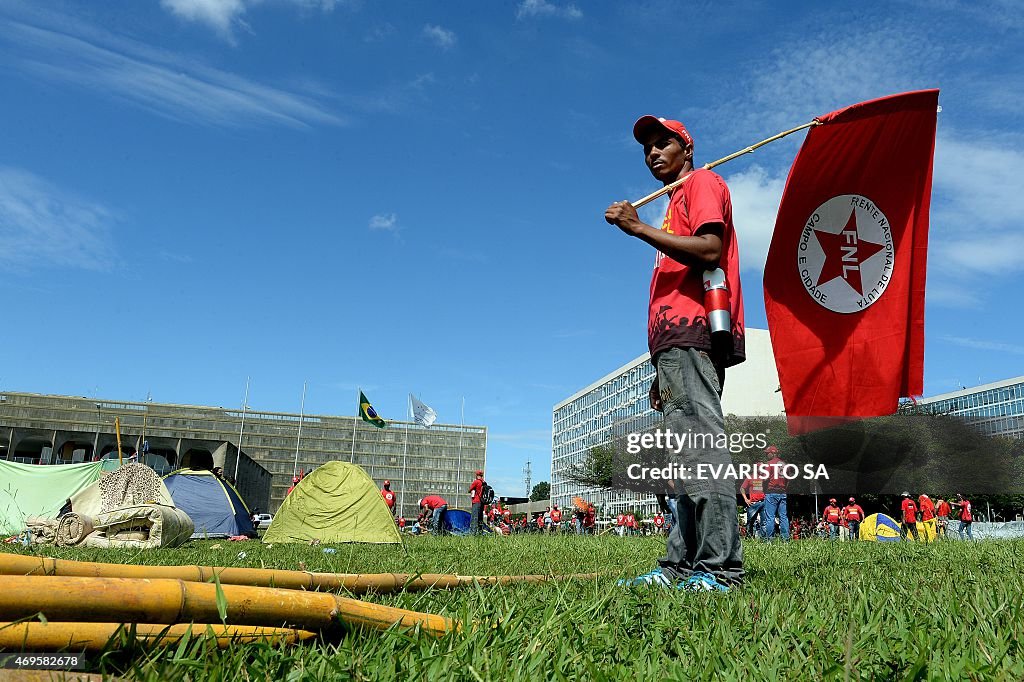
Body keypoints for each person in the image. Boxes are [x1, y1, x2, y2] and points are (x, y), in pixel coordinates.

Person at [606, 115, 745, 591]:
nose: (653, 153)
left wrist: (637, 229)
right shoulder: (673, 202)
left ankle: (719, 569)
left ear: (687, 149)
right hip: (672, 345)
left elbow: (709, 249)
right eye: (647, 149)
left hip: (691, 333)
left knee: (701, 451)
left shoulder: (702, 182)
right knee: (680, 460)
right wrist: (659, 371)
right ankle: (679, 566)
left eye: (664, 144)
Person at [761, 447, 790, 541]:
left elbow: (765, 478)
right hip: (782, 492)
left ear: (772, 453)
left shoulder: (769, 464)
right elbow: (788, 478)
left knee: (770, 517)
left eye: (767, 453)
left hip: (771, 492)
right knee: (783, 516)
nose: (766, 455)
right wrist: (784, 488)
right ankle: (786, 539)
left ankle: (770, 539)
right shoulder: (784, 464)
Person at [468, 470, 484, 534]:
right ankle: (480, 532)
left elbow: (469, 489)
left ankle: (473, 533)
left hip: (476, 501)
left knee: (474, 517)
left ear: (476, 475)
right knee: (480, 518)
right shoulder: (483, 482)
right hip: (482, 502)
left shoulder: (476, 482)